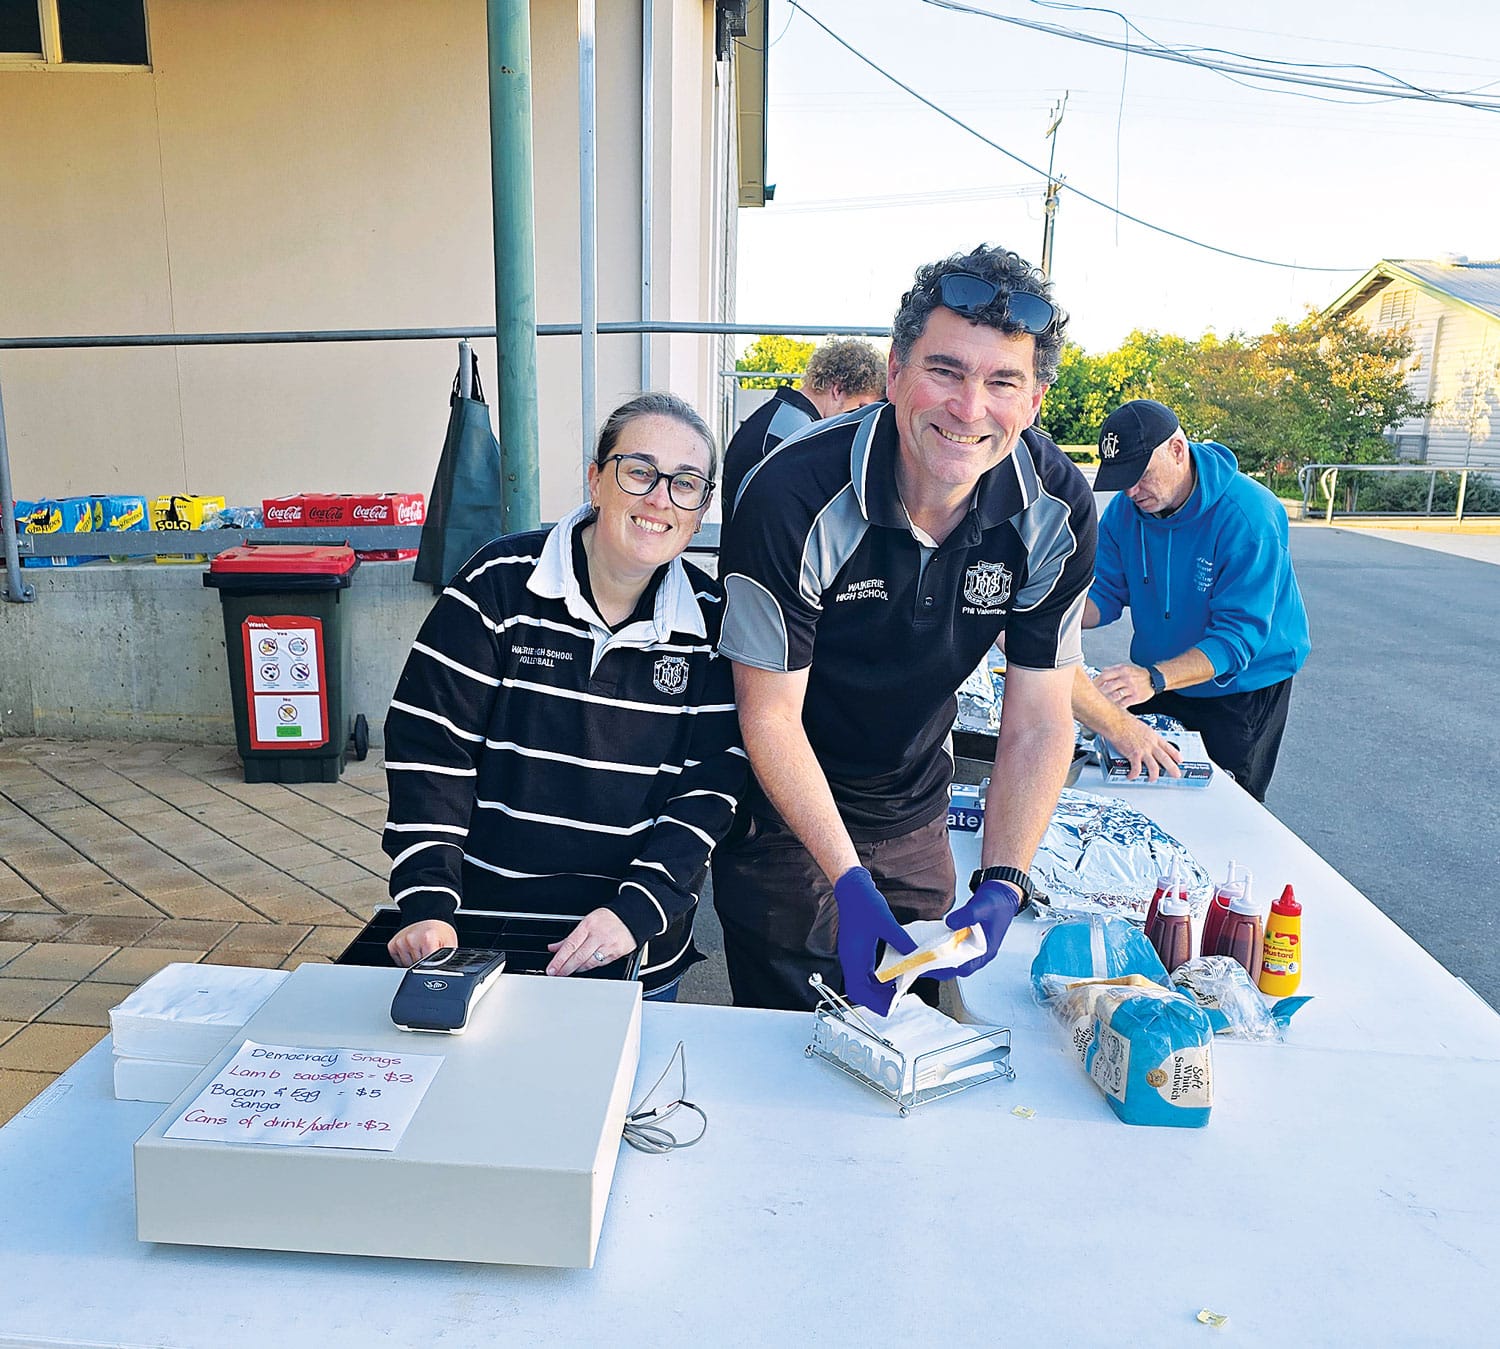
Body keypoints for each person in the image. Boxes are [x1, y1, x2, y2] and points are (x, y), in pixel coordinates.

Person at [713, 245, 1096, 1014]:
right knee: (793, 1053)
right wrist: (847, 882)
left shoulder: (1057, 508)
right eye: (945, 371)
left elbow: (1040, 714)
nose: (969, 408)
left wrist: (1004, 879)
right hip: (785, 816)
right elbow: (770, 716)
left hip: (916, 811)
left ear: (1035, 401)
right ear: (894, 372)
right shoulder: (792, 495)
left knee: (920, 1053)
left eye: (1003, 383)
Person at [381, 392, 746, 999]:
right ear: (596, 481)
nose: (660, 498)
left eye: (686, 484)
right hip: (479, 940)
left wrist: (639, 910)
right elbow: (432, 750)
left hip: (634, 952)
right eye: (639, 472)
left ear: (701, 507)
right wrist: (424, 900)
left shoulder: (714, 623)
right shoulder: (496, 585)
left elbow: (711, 786)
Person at [1082, 397, 1310, 802]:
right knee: (1147, 788)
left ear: (1176, 450)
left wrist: (1151, 677)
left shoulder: (1249, 516)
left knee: (1222, 807)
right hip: (1160, 680)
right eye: (1122, 478)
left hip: (1241, 690)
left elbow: (1236, 640)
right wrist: (1039, 615)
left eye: (1141, 475)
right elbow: (1103, 594)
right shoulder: (1125, 511)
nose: (1132, 490)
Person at [720, 337, 886, 518]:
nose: (861, 420)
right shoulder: (796, 434)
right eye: (861, 408)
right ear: (838, 390)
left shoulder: (779, 417)